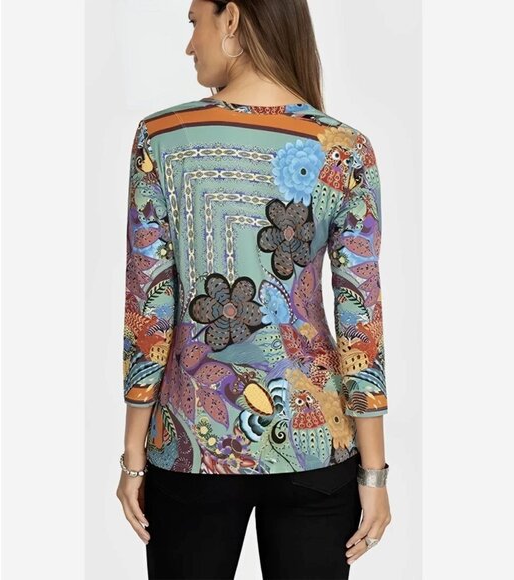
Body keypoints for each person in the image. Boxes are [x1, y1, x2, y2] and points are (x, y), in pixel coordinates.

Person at [116, 1, 392, 578]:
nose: (189, 44)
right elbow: (360, 322)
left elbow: (149, 308)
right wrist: (374, 473)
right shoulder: (343, 149)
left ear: (232, 18)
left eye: (194, 21)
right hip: (314, 445)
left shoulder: (161, 139)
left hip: (193, 443)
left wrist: (134, 453)